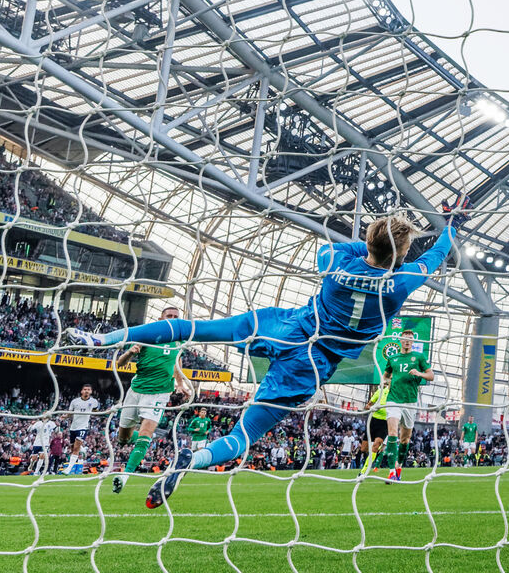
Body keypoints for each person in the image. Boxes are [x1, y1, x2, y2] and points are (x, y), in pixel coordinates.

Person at [66, 211, 463, 508]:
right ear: (404, 252)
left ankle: (105, 337)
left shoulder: (337, 262)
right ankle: (190, 462)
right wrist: (451, 225)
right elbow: (439, 253)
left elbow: (328, 251)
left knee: (194, 329)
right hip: (311, 363)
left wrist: (371, 246)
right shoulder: (406, 280)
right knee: (243, 438)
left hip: (285, 326)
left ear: (369, 240)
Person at [109, 306, 193, 494]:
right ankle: (143, 441)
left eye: (175, 317)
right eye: (169, 316)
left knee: (146, 430)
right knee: (123, 439)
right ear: (160, 318)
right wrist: (131, 352)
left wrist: (179, 384)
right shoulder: (147, 336)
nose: (172, 319)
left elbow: (177, 362)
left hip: (159, 393)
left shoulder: (179, 341)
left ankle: (125, 476)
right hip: (136, 390)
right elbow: (119, 363)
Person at [378, 329, 434, 481]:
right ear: (400, 340)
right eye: (405, 339)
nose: (407, 341)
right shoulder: (393, 358)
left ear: (413, 341)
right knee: (392, 433)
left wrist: (419, 374)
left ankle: (399, 466)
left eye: (410, 339)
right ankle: (391, 471)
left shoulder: (419, 357)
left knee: (405, 439)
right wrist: (384, 382)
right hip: (393, 400)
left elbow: (431, 376)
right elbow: (386, 375)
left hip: (410, 401)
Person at [61, 384, 99, 475]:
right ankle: (82, 449)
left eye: (88, 390)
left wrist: (106, 411)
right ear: (81, 391)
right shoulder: (75, 401)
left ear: (91, 391)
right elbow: (70, 413)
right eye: (85, 389)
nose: (86, 391)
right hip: (73, 427)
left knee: (76, 448)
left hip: (83, 427)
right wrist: (65, 416)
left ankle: (68, 469)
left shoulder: (94, 401)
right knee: (72, 447)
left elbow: (95, 410)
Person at [360, 387, 389, 475]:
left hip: (385, 422)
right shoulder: (380, 391)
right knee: (364, 449)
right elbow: (367, 406)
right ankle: (373, 453)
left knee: (376, 445)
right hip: (373, 421)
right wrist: (373, 408)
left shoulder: (397, 394)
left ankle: (363, 471)